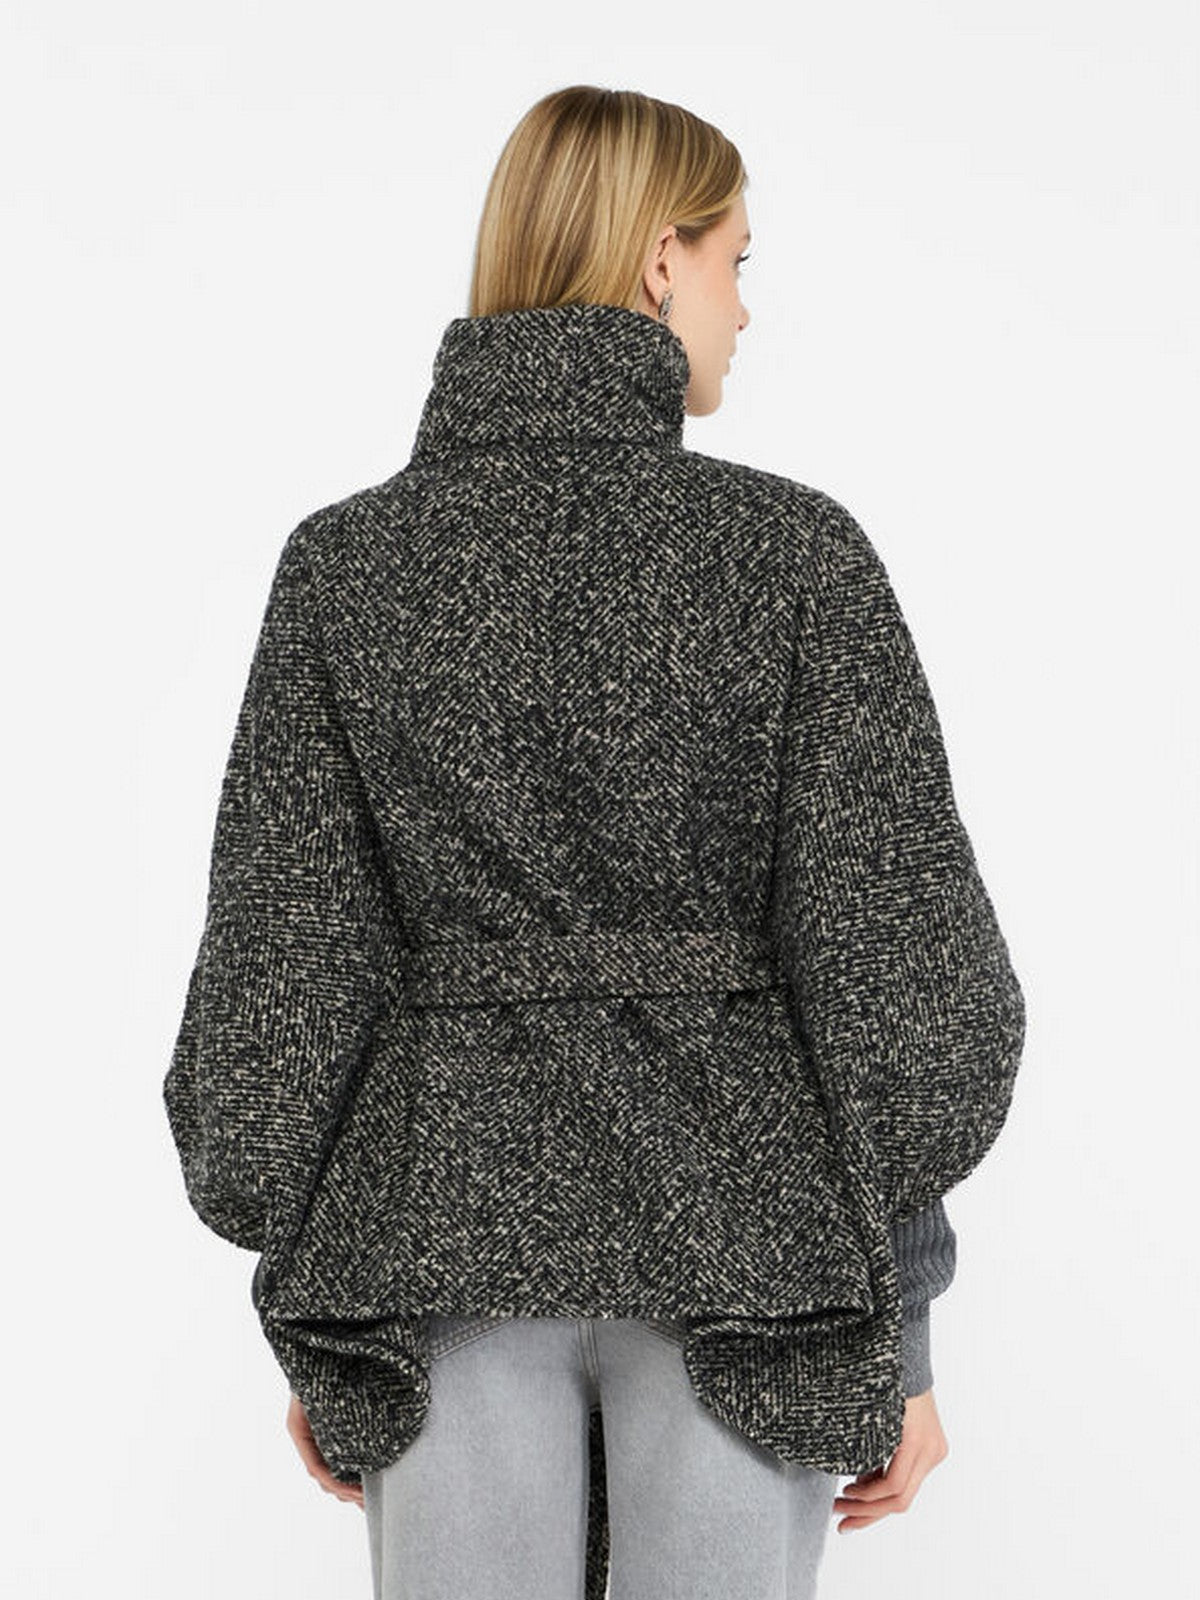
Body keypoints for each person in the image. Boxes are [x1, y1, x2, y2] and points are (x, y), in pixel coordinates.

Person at [163, 85, 1024, 1600]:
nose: (746, 309)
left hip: (434, 1243)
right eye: (737, 261)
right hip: (748, 1254)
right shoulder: (793, 557)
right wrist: (903, 1330)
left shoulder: (346, 569)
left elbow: (279, 981)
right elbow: (893, 984)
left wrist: (325, 1300)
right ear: (658, 261)